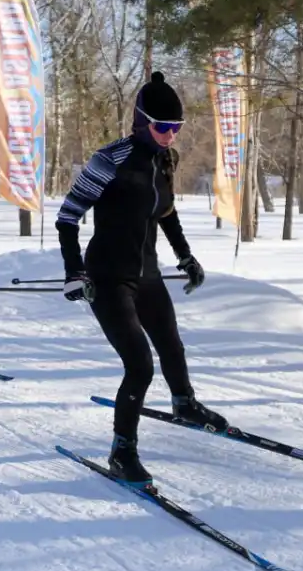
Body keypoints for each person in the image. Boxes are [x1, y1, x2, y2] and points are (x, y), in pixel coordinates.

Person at [55, 71, 226, 485]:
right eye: (162, 127)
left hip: (147, 274)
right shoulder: (108, 160)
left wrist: (186, 256)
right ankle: (122, 451)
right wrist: (74, 272)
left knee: (172, 346)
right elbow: (67, 218)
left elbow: (165, 212)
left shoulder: (165, 160)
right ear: (140, 121)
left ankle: (184, 403)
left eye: (176, 128)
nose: (170, 135)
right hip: (108, 278)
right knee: (140, 366)